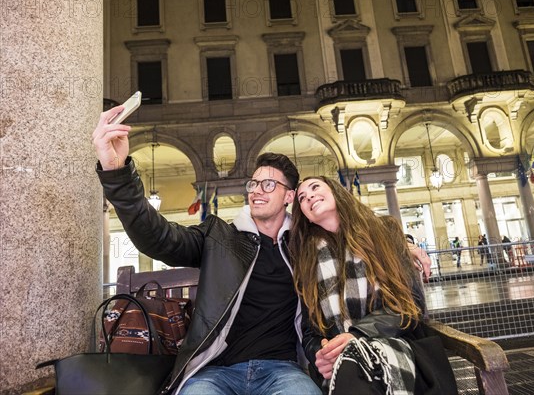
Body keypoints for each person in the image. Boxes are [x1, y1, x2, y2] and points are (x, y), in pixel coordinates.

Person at [92, 106, 322, 395]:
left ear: (289, 196)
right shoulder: (219, 236)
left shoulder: (304, 248)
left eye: (268, 184)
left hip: (281, 370)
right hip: (216, 370)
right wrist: (118, 173)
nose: (256, 190)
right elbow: (158, 238)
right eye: (253, 183)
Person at [290, 176, 457, 395]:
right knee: (350, 364)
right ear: (306, 216)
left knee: (353, 364)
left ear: (336, 193)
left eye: (315, 188)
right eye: (302, 197)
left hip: (396, 346)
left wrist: (357, 336)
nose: (309, 196)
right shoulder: (308, 261)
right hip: (341, 364)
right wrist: (320, 356)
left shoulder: (384, 233)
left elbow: (410, 304)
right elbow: (311, 330)